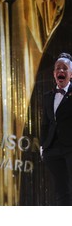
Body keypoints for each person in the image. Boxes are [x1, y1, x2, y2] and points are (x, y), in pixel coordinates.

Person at [41, 52, 72, 205]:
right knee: (61, 188)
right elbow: (46, 122)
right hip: (53, 149)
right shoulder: (48, 96)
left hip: (70, 147)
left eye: (65, 69)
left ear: (71, 74)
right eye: (58, 69)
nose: (61, 71)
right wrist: (43, 146)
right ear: (54, 74)